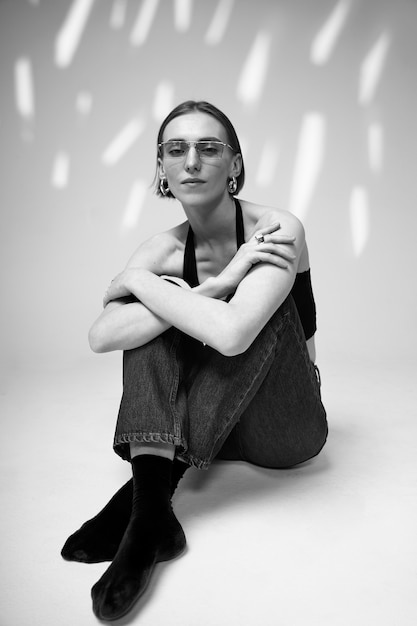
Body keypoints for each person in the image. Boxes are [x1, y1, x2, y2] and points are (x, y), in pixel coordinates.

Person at [61, 100, 328, 621]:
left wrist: (148, 286)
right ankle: (151, 521)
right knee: (158, 306)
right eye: (175, 150)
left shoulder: (276, 229)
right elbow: (101, 336)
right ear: (160, 167)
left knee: (242, 307)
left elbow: (231, 337)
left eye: (210, 148)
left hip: (287, 426)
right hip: (215, 430)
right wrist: (208, 285)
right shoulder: (160, 251)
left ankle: (144, 501)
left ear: (235, 164)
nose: (191, 161)